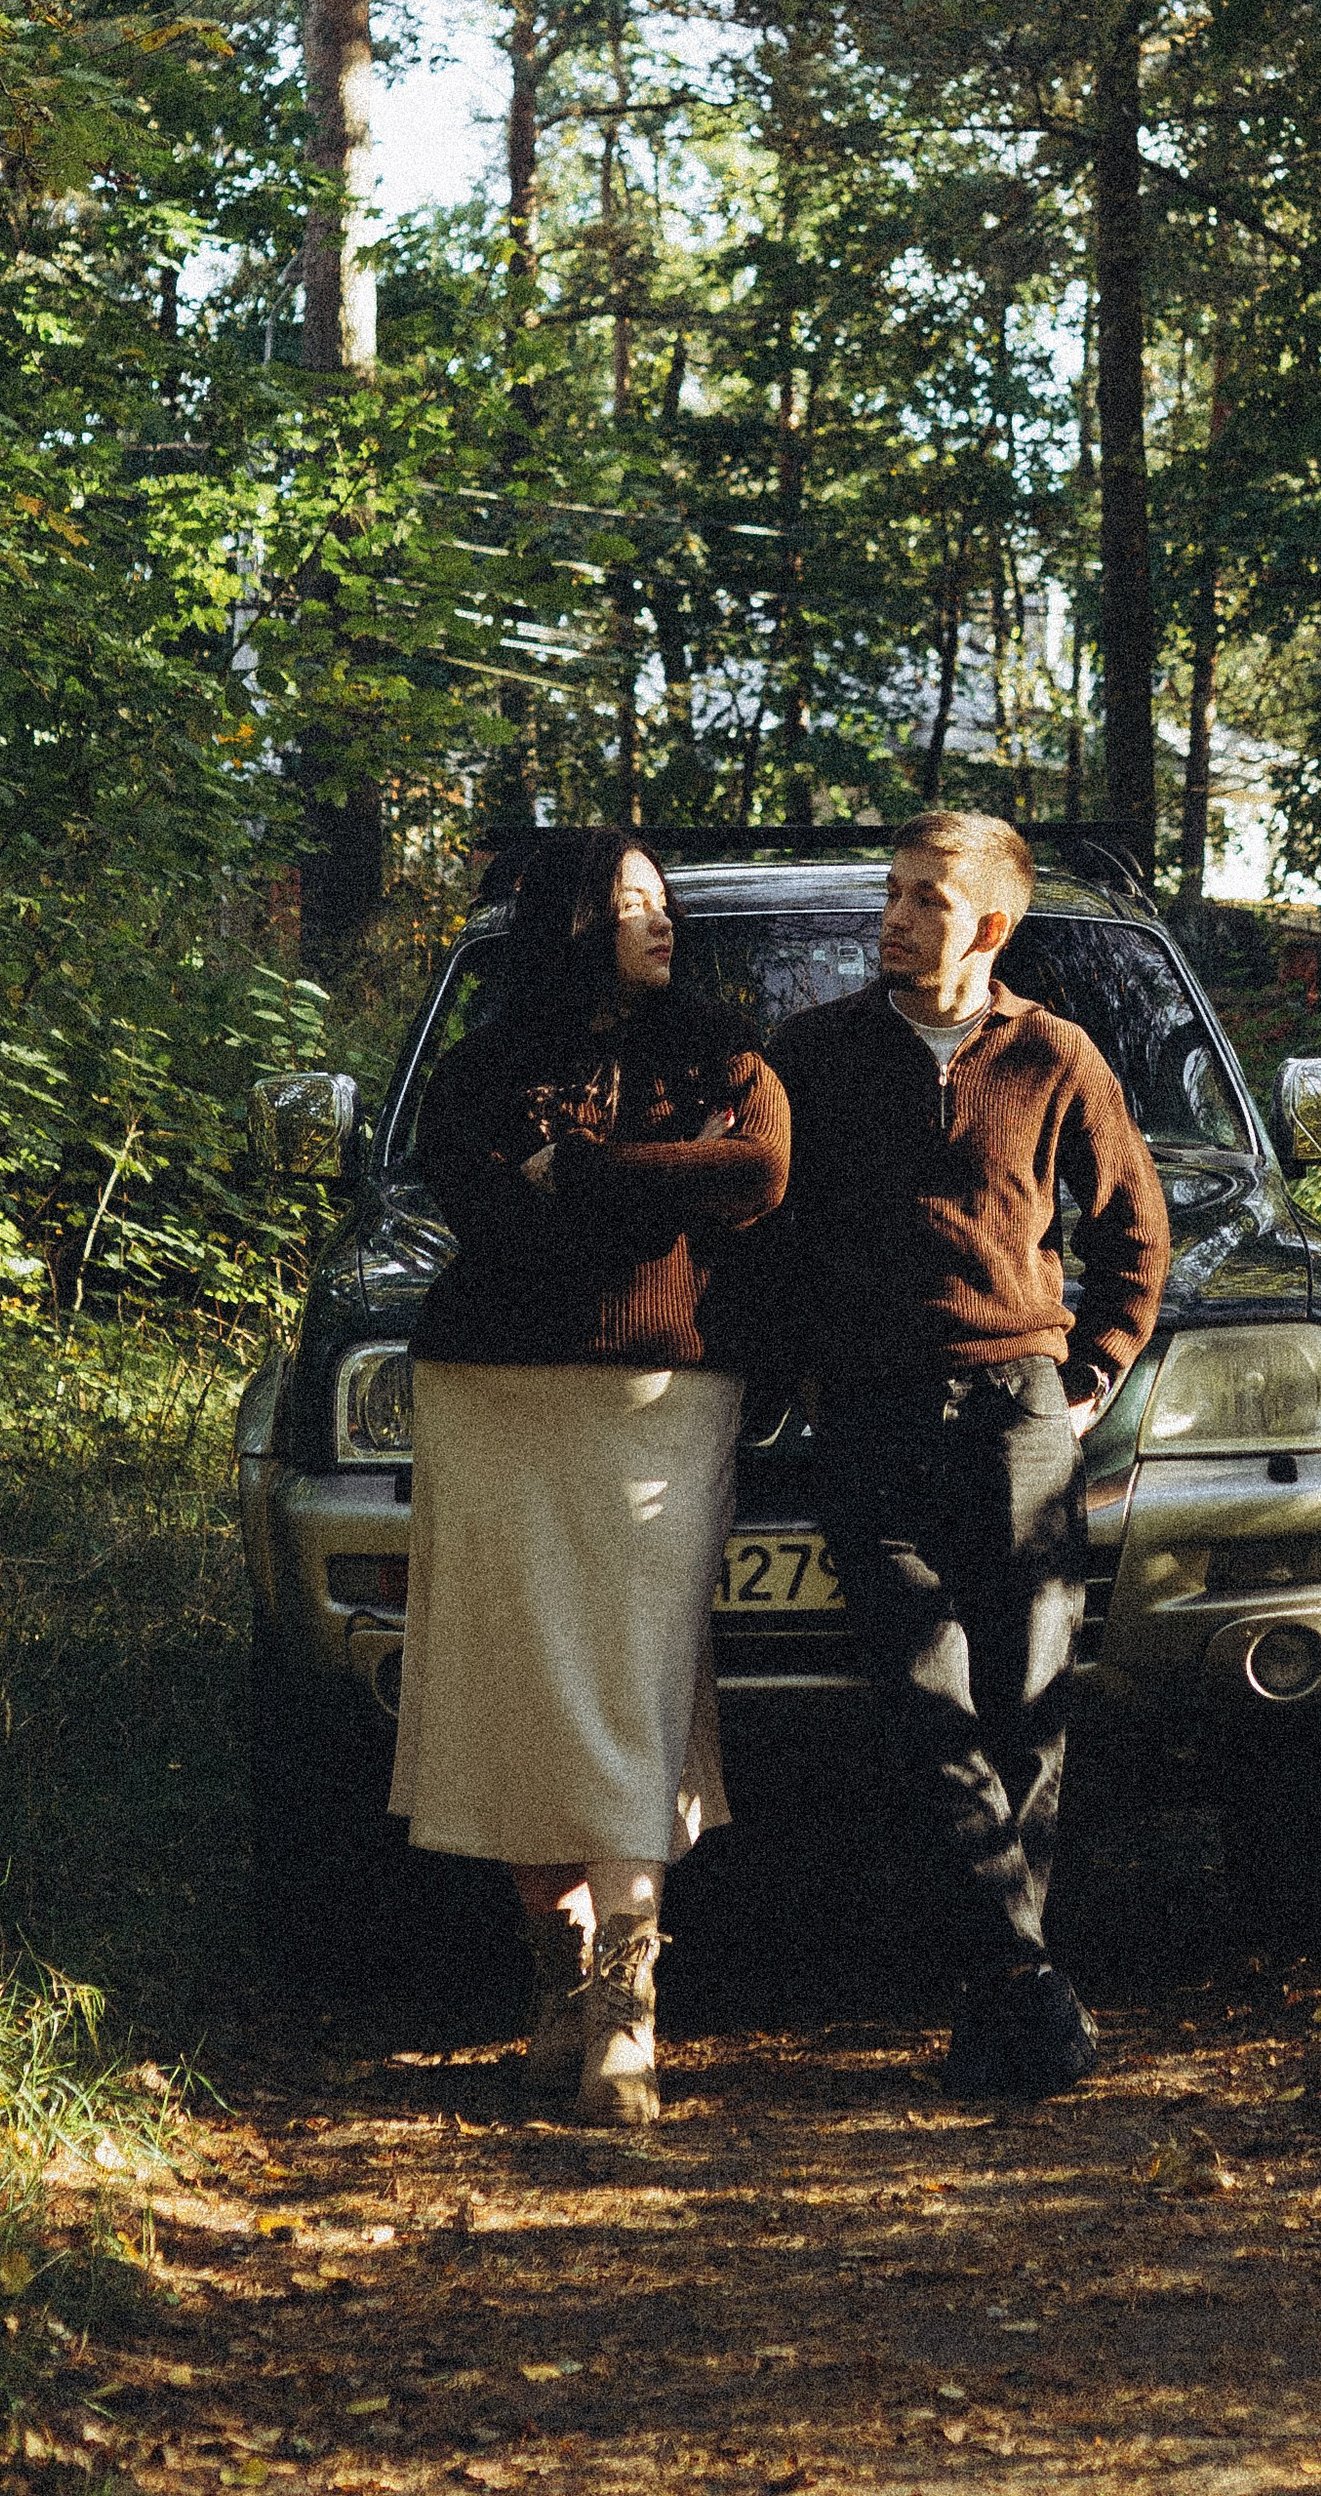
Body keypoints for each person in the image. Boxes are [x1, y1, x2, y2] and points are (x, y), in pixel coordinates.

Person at [390, 831, 789, 2127]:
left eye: (661, 901)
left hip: (661, 1404)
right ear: (571, 921)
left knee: (630, 1688)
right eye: (628, 904)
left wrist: (591, 1171)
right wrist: (653, 1197)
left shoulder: (720, 1051)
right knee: (517, 1694)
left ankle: (631, 2010)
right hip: (491, 1399)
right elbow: (493, 1220)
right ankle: (558, 1983)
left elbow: (762, 1173)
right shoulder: (480, 1071)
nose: (656, 922)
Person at [770, 810, 1168, 2099]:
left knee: (1029, 1705)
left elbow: (1134, 1233)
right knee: (926, 1702)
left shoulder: (1058, 1057)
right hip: (871, 1416)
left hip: (1018, 1413)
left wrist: (1093, 1371)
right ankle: (1023, 1977)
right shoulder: (813, 1056)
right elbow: (758, 1225)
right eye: (891, 894)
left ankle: (1003, 1994)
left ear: (989, 925)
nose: (892, 917)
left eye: (924, 899)